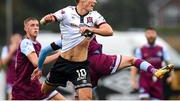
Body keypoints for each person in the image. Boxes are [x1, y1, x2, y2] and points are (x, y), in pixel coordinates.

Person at [32, 0, 113, 100]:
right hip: (62, 64)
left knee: (87, 98)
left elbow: (109, 31)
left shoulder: (95, 16)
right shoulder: (67, 12)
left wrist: (92, 29)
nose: (95, 1)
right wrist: (46, 20)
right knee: (43, 91)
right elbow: (45, 21)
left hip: (80, 65)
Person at [32, 35, 174, 97]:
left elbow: (45, 51)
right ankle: (154, 70)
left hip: (81, 68)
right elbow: (107, 30)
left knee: (78, 95)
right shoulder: (88, 24)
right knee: (131, 60)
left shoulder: (65, 38)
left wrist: (39, 67)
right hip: (98, 62)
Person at [11, 17, 65, 100]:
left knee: (59, 98)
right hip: (22, 89)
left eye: (37, 25)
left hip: (34, 86)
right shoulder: (26, 42)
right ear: (25, 28)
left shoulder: (38, 44)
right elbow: (36, 62)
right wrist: (57, 55)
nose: (35, 27)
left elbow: (38, 64)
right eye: (32, 25)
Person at [131, 27, 173, 100]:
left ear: (156, 35)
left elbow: (169, 64)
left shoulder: (162, 49)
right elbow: (134, 65)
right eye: (148, 33)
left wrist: (171, 76)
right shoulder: (140, 49)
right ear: (145, 35)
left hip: (157, 81)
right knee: (145, 99)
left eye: (152, 33)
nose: (151, 35)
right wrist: (133, 81)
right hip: (144, 80)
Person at [0, 33, 22, 100]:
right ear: (11, 39)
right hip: (11, 79)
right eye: (15, 39)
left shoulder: (23, 50)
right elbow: (3, 62)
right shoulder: (6, 48)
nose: (17, 41)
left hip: (22, 79)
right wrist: (11, 52)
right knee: (12, 97)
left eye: (18, 39)